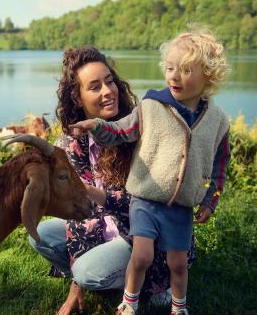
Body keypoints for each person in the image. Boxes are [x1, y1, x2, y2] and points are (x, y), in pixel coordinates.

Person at [70, 31, 231, 315]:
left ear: (208, 75)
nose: (174, 76)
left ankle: (178, 307)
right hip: (144, 200)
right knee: (141, 255)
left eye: (185, 70)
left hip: (181, 207)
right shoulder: (150, 107)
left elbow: (220, 169)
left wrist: (210, 201)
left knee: (178, 265)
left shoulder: (218, 122)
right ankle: (129, 304)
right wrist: (96, 125)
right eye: (170, 68)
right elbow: (121, 131)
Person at [29, 46, 196, 315]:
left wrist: (93, 194)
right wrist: (76, 285)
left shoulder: (138, 128)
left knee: (87, 272)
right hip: (104, 226)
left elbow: (152, 200)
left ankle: (153, 284)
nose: (108, 91)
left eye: (109, 81)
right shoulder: (72, 143)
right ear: (78, 99)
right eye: (95, 87)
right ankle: (108, 276)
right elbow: (79, 214)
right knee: (39, 235)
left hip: (146, 232)